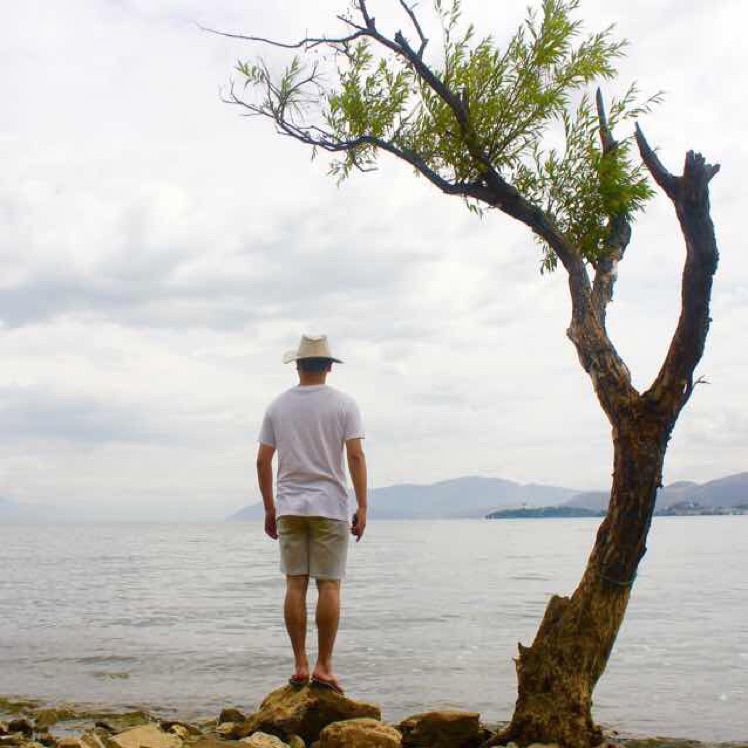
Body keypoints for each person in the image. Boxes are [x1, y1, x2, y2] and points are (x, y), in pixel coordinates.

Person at [256, 334, 368, 695]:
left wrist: (269, 508)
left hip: (290, 506)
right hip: (330, 506)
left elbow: (262, 461)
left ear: (297, 366)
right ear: (329, 367)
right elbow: (355, 456)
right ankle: (324, 666)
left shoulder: (278, 407)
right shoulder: (345, 405)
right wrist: (362, 505)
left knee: (295, 584)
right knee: (329, 585)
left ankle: (300, 666)